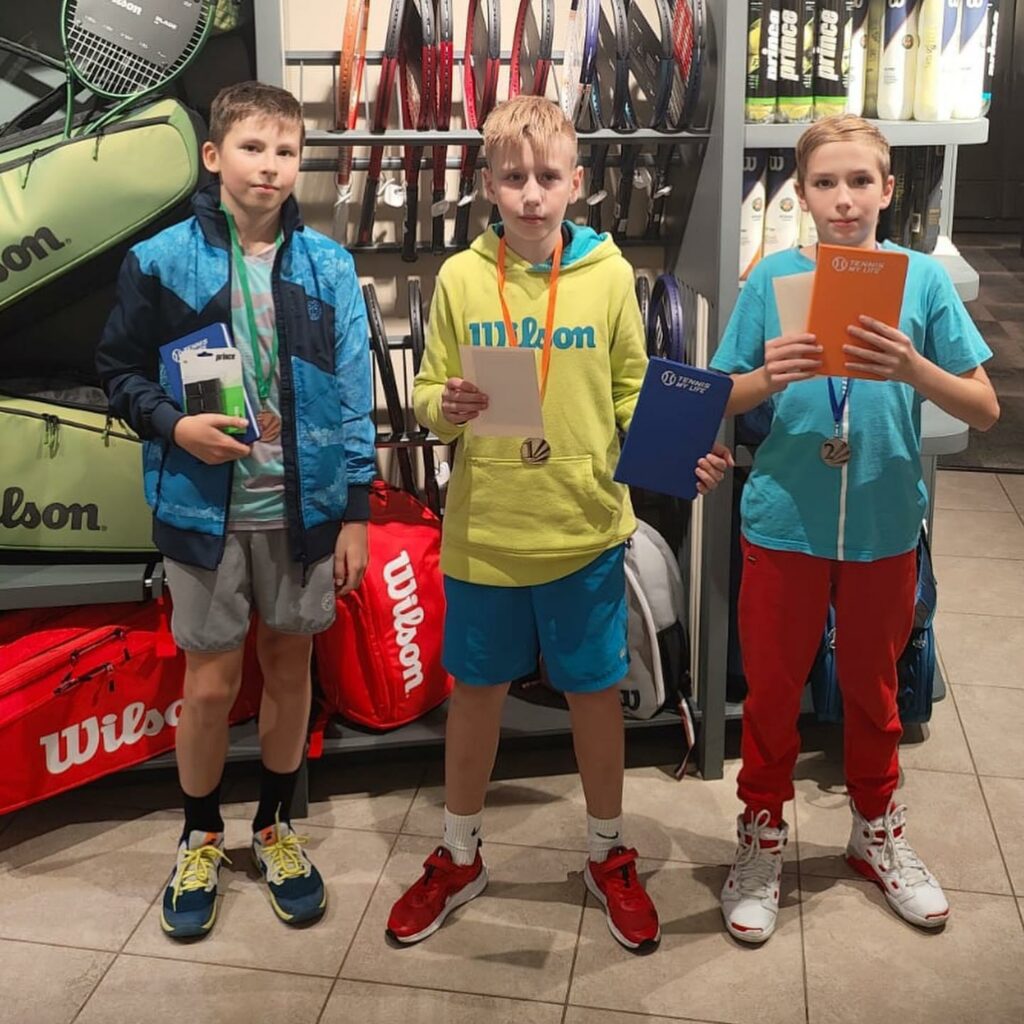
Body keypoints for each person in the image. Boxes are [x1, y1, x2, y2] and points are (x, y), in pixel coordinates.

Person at [385, 94, 732, 953]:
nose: (531, 193)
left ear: (578, 183)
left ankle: (607, 853)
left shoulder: (609, 276)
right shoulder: (461, 279)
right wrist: (444, 406)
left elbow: (630, 393)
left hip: (584, 530)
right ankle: (459, 854)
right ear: (488, 185)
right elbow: (427, 392)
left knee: (594, 698)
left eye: (548, 176)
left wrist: (678, 452)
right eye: (514, 178)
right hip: (487, 533)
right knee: (476, 698)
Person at [96, 81, 375, 939]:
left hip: (303, 512)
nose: (270, 165)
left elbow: (354, 394)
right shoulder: (159, 262)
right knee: (211, 684)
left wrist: (355, 511)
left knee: (291, 670)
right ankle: (201, 836)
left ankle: (277, 828)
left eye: (287, 151)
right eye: (253, 147)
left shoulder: (329, 268)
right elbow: (118, 372)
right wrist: (175, 424)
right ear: (215, 156)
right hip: (201, 513)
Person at [711, 114, 999, 944]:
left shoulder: (921, 280)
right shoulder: (772, 278)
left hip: (882, 519)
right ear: (801, 194)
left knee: (874, 691)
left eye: (860, 181)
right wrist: (768, 378)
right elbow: (719, 391)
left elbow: (984, 407)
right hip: (784, 520)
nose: (844, 199)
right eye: (825, 183)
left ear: (887, 189)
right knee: (772, 693)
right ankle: (761, 835)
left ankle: (876, 833)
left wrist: (914, 367)